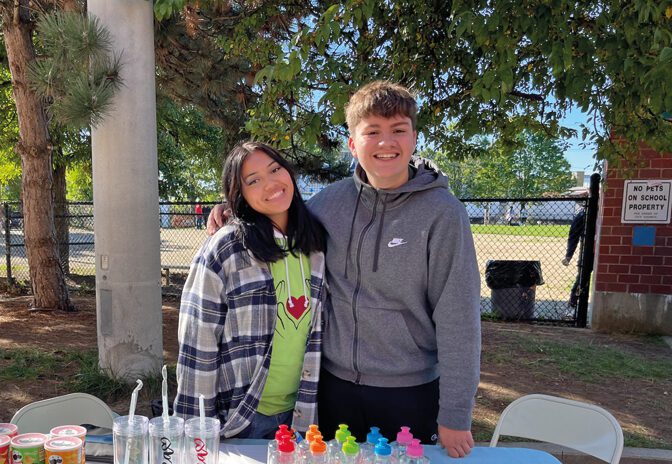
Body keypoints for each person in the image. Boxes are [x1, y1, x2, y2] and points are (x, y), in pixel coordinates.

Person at [208, 82, 481, 458]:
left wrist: (455, 412)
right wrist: (231, 211)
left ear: (414, 137)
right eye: (372, 132)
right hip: (331, 389)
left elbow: (460, 319)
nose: (386, 143)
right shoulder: (328, 203)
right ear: (353, 144)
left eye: (398, 130)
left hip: (410, 393)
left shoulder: (444, 213)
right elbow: (276, 208)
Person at [174, 142, 328, 439]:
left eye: (275, 169)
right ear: (238, 194)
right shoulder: (227, 247)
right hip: (240, 419)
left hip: (303, 415)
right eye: (253, 180)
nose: (270, 184)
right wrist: (196, 429)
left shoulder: (317, 244)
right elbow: (198, 341)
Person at [562, 203, 587, 313]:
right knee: (582, 279)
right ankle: (572, 305)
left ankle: (574, 306)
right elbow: (573, 236)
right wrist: (568, 256)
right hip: (586, 253)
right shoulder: (582, 215)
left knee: (582, 278)